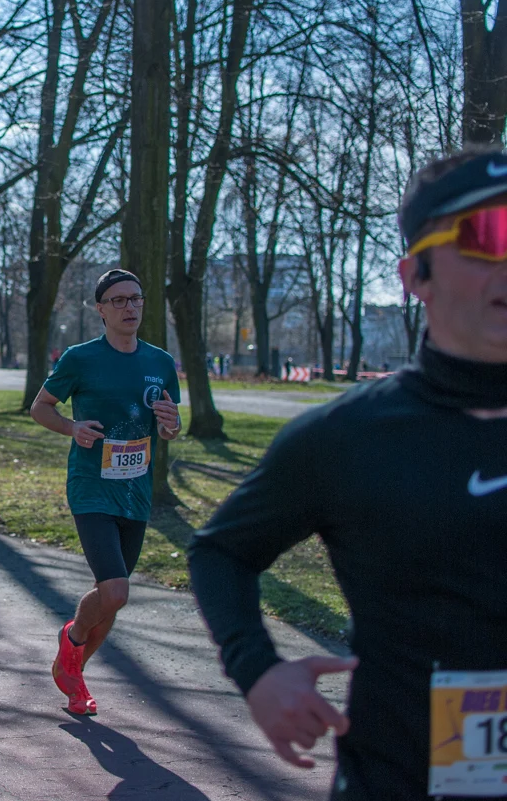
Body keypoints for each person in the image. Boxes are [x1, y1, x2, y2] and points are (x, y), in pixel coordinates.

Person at [188, 146, 507, 800]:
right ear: (415, 274)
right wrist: (259, 670)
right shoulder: (345, 438)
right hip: (395, 780)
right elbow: (221, 550)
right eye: (486, 234)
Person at [28, 268, 181, 716]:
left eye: (136, 299)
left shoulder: (160, 362)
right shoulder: (81, 358)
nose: (129, 307)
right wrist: (72, 427)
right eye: (118, 300)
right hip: (92, 487)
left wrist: (171, 425)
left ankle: (73, 674)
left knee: (110, 598)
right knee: (114, 592)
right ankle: (71, 640)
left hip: (135, 492)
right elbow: (40, 407)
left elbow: (170, 425)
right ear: (101, 309)